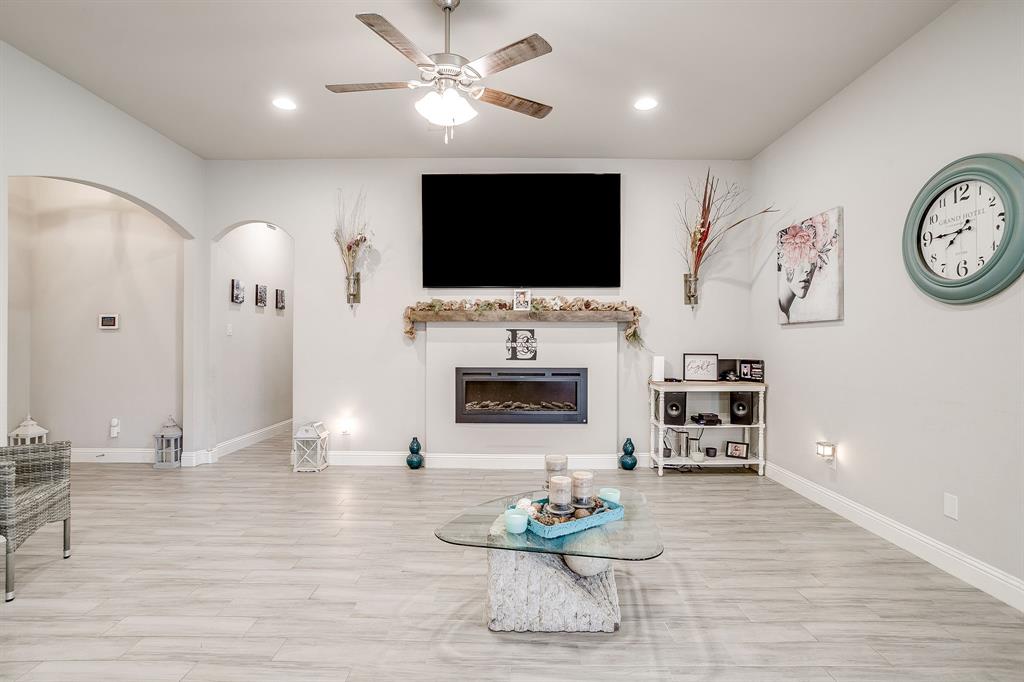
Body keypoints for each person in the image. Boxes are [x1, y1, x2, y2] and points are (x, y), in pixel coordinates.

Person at [777, 212, 837, 322]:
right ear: (783, 256)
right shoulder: (780, 315)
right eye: (802, 255)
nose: (808, 269)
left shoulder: (782, 313)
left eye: (813, 260)